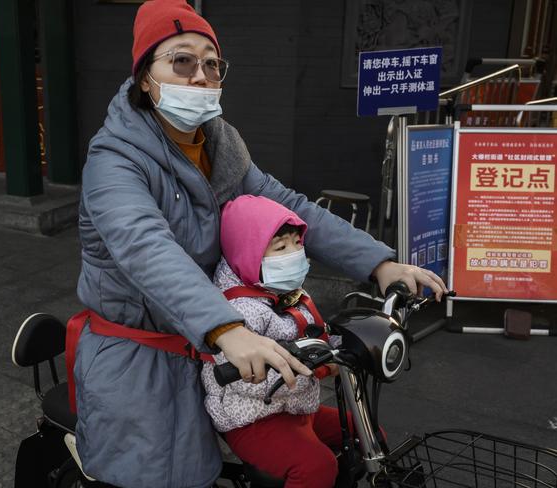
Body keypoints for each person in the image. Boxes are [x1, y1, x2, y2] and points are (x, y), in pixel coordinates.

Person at [73, 1, 448, 487]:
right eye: (181, 61)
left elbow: (291, 206)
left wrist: (378, 263)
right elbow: (146, 248)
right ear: (146, 77)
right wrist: (228, 328)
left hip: (211, 343)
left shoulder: (219, 144)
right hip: (141, 358)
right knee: (165, 475)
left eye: (211, 63)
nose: (201, 75)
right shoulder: (113, 162)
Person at [201, 195, 347, 488]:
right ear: (248, 253)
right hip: (252, 418)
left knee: (364, 432)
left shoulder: (287, 291)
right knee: (316, 467)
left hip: (295, 406)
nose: (294, 253)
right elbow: (245, 379)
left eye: (297, 243)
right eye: (281, 247)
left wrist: (349, 343)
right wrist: (317, 370)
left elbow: (315, 333)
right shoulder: (236, 310)